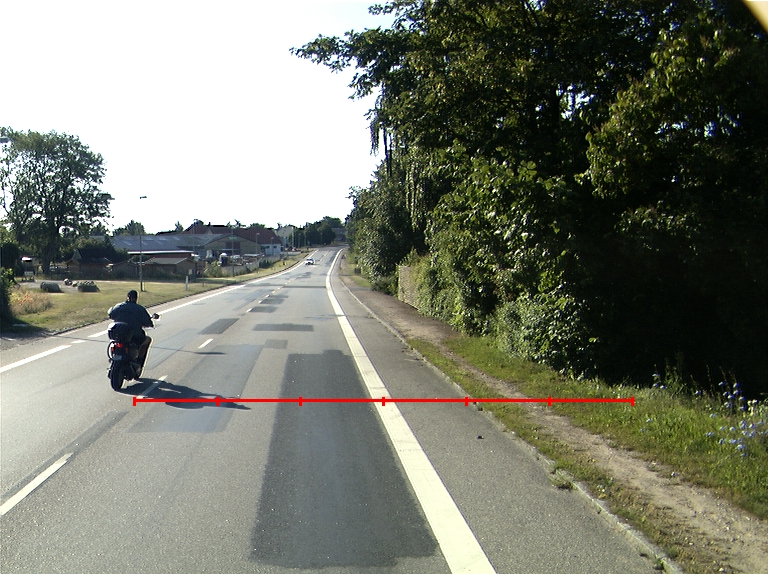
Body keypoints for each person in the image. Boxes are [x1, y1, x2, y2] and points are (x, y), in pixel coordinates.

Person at [108, 290, 158, 366]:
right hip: (135, 336)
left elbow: (110, 314)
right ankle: (139, 361)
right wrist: (149, 323)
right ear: (136, 298)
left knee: (114, 343)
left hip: (118, 336)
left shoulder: (119, 306)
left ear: (127, 297)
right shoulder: (140, 309)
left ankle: (114, 357)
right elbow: (148, 323)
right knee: (148, 340)